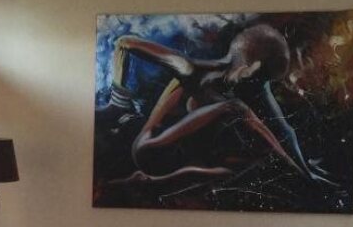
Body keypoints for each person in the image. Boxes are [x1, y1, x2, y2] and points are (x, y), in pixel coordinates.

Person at [107, 23, 335, 186]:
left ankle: (148, 181)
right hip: (150, 150)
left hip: (180, 158)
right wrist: (118, 102)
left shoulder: (248, 84)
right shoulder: (190, 69)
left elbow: (283, 128)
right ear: (251, 68)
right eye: (260, 79)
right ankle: (148, 181)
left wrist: (305, 169)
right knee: (234, 107)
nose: (260, 87)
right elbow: (124, 42)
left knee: (245, 165)